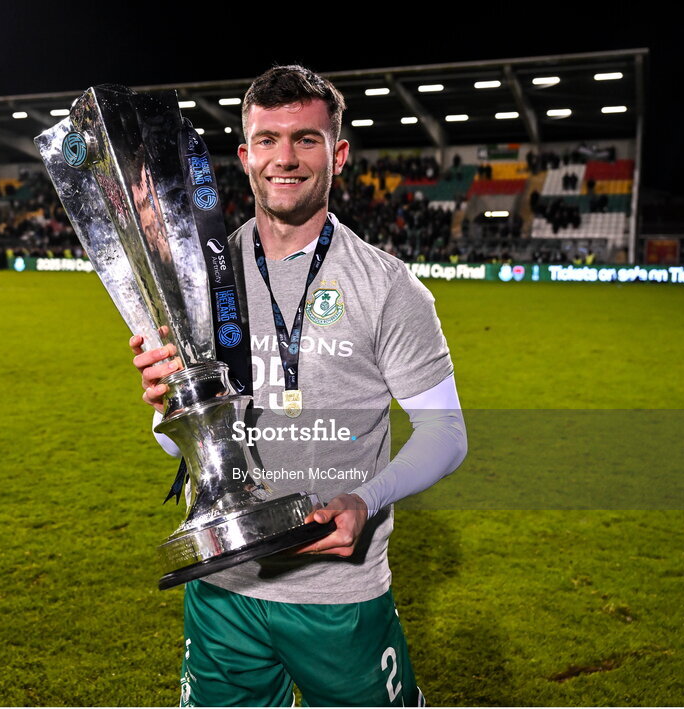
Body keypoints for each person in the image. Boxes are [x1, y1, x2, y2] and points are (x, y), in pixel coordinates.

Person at [129, 65, 467, 707]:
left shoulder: (388, 287)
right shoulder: (200, 284)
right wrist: (168, 408)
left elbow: (446, 434)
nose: (285, 158)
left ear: (338, 153)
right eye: (267, 140)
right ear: (243, 155)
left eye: (306, 139)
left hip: (337, 594)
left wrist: (368, 497)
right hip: (225, 586)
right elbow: (180, 451)